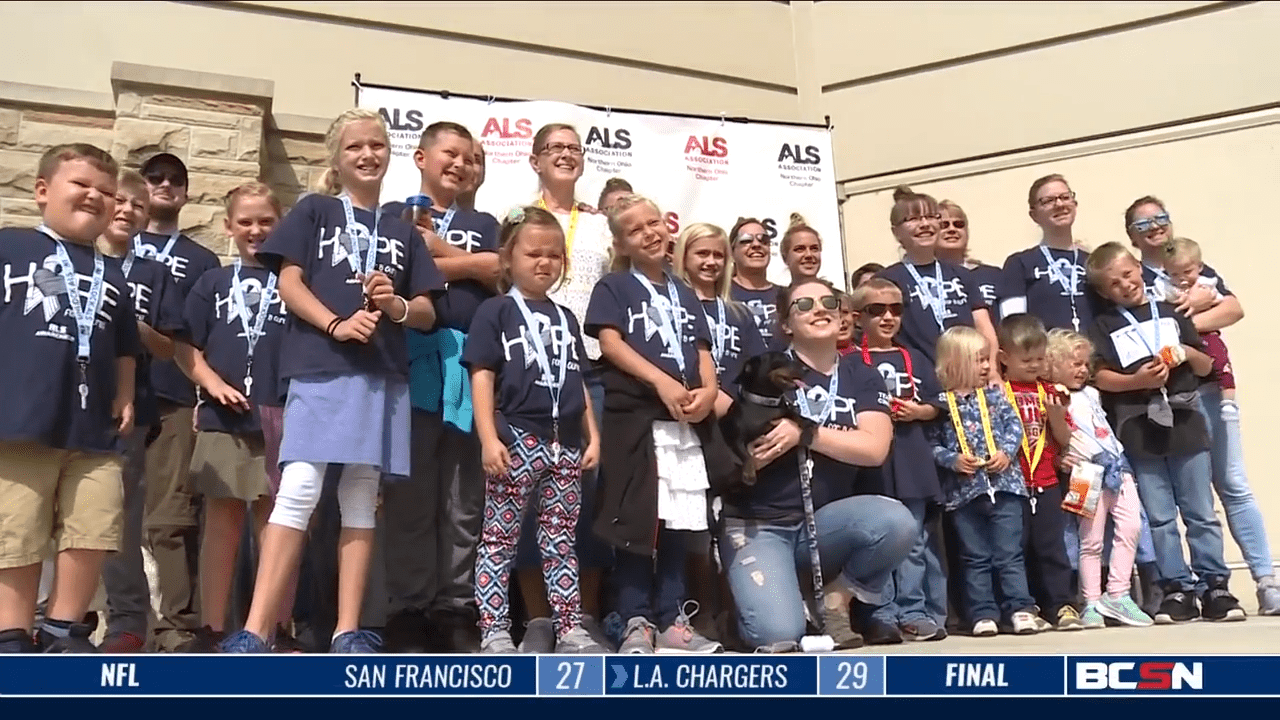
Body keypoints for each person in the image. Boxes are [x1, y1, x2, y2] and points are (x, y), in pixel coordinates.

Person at [219, 108, 444, 654]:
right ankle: (256, 630)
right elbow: (289, 283)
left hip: (383, 376)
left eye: (377, 145)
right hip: (321, 369)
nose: (368, 155)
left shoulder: (402, 229)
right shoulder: (315, 210)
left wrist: (393, 307)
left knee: (362, 496)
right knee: (297, 490)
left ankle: (348, 631)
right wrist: (337, 324)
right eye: (354, 147)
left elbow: (428, 314)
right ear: (336, 158)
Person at [716, 277, 915, 651]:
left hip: (824, 524)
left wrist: (805, 434)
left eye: (829, 302)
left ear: (844, 317)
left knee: (897, 521)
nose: (819, 309)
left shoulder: (862, 374)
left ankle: (835, 599)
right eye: (804, 305)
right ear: (786, 324)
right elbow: (722, 411)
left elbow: (874, 449)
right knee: (778, 636)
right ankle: (750, 601)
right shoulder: (762, 367)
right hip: (760, 522)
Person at [0, 144, 139, 653]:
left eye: (106, 191)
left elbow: (126, 346)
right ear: (42, 191)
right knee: (17, 529)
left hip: (94, 429)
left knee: (95, 523)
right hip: (20, 420)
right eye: (81, 185)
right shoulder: (9, 247)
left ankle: (63, 627)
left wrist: (125, 395)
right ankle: (11, 633)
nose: (95, 197)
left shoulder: (113, 275)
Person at [586, 194, 728, 654]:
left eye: (653, 224)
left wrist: (707, 391)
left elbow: (701, 349)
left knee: (677, 521)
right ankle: (635, 618)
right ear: (620, 242)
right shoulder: (614, 287)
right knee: (636, 520)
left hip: (682, 422)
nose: (648, 234)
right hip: (636, 419)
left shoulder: (682, 289)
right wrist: (661, 382)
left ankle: (672, 617)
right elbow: (610, 344)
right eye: (634, 230)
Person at [1123, 197, 1279, 615]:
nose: (1154, 227)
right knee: (1182, 498)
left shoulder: (1196, 268)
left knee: (1232, 482)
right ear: (1131, 235)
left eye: (1160, 219)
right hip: (1168, 397)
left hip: (1211, 388)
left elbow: (1234, 307)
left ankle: (1266, 579)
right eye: (1143, 224)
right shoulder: (1134, 277)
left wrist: (1183, 324)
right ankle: (1188, 586)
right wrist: (1182, 326)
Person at [463, 205, 605, 654]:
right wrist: (488, 436)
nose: (544, 263)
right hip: (516, 438)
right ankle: (495, 630)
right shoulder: (496, 311)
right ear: (508, 259)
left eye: (553, 255)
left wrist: (593, 435)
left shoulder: (566, 317)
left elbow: (576, 379)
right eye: (533, 254)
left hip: (565, 445)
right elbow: (481, 375)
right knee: (499, 540)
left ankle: (570, 628)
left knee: (562, 540)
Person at [381, 120, 497, 654]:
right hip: (413, 361)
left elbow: (501, 269)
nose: (459, 164)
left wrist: (438, 249)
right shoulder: (390, 216)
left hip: (474, 368)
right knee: (411, 495)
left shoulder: (486, 221)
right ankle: (409, 607)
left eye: (469, 157)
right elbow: (399, 270)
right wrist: (455, 264)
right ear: (421, 157)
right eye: (449, 153)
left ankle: (455, 606)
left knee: (463, 498)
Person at [1084, 241, 1244, 623]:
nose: (1125, 285)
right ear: (1105, 292)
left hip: (1186, 419)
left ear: (1139, 269)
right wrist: (1135, 379)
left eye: (1128, 274)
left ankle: (1215, 585)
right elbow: (1100, 376)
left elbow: (1206, 366)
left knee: (1200, 510)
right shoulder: (1102, 325)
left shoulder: (1172, 313)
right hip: (1139, 424)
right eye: (1114, 283)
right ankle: (1177, 589)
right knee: (1159, 516)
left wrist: (1187, 354)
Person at [178, 183, 296, 652]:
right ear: (228, 227)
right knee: (222, 523)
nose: (255, 230)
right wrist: (212, 385)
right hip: (224, 414)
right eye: (245, 222)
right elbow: (186, 348)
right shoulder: (211, 283)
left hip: (283, 412)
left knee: (278, 522)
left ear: (280, 224)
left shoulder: (294, 282)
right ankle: (212, 627)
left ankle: (273, 626)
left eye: (265, 221)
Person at [514, 123, 616, 653]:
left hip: (590, 369)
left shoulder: (601, 226)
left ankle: (585, 614)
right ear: (534, 161)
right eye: (554, 148)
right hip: (531, 370)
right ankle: (536, 619)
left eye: (574, 149)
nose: (565, 156)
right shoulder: (517, 219)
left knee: (588, 492)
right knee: (531, 494)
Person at [134, 151, 223, 651]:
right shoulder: (116, 248)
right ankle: (101, 618)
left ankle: (176, 627)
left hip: (173, 396)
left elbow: (207, 337)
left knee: (170, 519)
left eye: (175, 179)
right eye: (155, 178)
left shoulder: (202, 260)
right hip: (109, 398)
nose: (165, 185)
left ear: (186, 193)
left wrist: (202, 393)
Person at [97, 169, 182, 653]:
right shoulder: (73, 259)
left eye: (139, 206)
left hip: (131, 405)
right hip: (66, 399)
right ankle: (60, 614)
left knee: (119, 515)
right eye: (121, 201)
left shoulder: (154, 273)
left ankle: (128, 621)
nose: (128, 211)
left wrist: (134, 326)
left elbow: (169, 348)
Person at [672, 221, 766, 641]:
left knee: (729, 523)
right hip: (690, 425)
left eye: (716, 255)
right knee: (691, 525)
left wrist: (743, 412)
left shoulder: (738, 313)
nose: (710, 262)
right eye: (701, 254)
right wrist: (715, 401)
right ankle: (698, 613)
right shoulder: (674, 304)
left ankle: (737, 614)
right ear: (683, 259)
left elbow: (755, 373)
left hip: (733, 432)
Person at [850, 278, 947, 642]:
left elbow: (938, 403)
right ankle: (881, 611)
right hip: (870, 465)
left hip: (911, 460)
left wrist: (919, 411)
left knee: (915, 541)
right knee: (878, 540)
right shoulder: (848, 361)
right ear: (859, 317)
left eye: (896, 309)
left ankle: (914, 609)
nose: (888, 317)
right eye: (877, 310)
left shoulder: (915, 358)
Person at [926, 326, 1039, 636]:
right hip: (964, 493)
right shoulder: (940, 405)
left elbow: (1014, 427)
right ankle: (982, 613)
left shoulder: (995, 397)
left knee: (1009, 553)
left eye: (987, 360)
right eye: (980, 360)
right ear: (956, 362)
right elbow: (932, 444)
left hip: (1005, 487)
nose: (988, 367)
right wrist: (952, 460)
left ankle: (1019, 608)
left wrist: (1005, 453)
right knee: (975, 556)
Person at [1045, 329, 1152, 628]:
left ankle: (1117, 593)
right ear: (1053, 364)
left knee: (1131, 525)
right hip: (1083, 472)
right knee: (1090, 539)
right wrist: (1058, 457)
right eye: (1074, 364)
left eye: (1084, 364)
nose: (1082, 370)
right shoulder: (1051, 396)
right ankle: (1090, 600)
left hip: (1118, 466)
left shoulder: (1092, 393)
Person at [996, 314, 1082, 631]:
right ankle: (1023, 605)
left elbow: (1064, 437)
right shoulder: (998, 392)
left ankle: (1061, 604)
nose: (1034, 365)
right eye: (1026, 359)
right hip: (1011, 483)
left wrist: (1057, 415)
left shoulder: (1051, 391)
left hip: (1045, 480)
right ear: (1004, 357)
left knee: (1052, 546)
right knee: (1014, 549)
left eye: (1039, 359)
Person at [876, 186, 999, 368]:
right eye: (914, 219)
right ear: (896, 232)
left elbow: (984, 328)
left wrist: (993, 369)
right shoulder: (887, 279)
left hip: (968, 375)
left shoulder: (962, 274)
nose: (924, 224)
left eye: (931, 217)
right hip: (919, 378)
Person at [998, 174, 1100, 334]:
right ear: (1034, 215)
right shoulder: (1020, 263)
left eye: (1065, 197)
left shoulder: (1093, 261)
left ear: (1074, 204)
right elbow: (1014, 327)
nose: (1059, 204)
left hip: (1094, 355)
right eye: (1048, 201)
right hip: (1046, 355)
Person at [936, 200, 1002, 322]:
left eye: (958, 224)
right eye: (943, 225)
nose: (952, 229)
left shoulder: (994, 274)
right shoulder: (926, 277)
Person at [728, 217, 781, 348]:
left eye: (764, 240)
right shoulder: (719, 293)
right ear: (732, 252)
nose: (756, 245)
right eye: (746, 240)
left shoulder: (786, 295)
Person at [781, 213, 822, 284]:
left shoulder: (836, 295)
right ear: (785, 257)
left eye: (814, 249)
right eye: (800, 249)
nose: (809, 255)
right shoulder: (780, 295)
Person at [456, 139, 486, 212]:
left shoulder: (488, 222)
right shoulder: (425, 218)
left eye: (476, 160)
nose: (467, 167)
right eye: (454, 156)